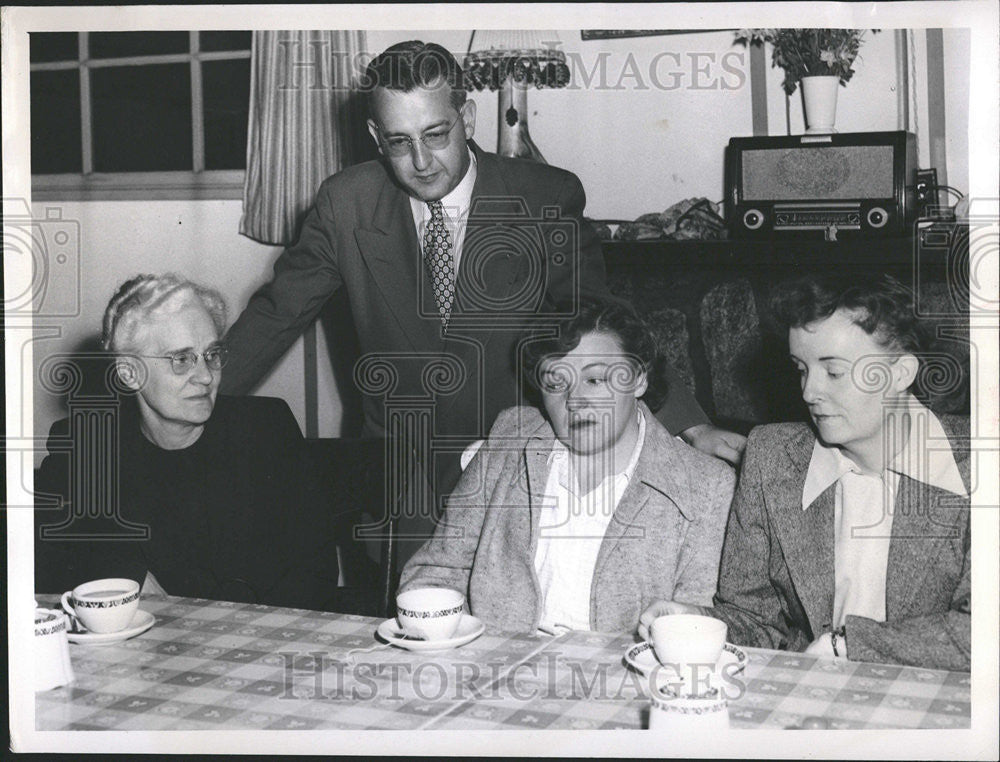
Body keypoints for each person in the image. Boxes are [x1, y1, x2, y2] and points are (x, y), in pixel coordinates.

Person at [219, 40, 745, 562]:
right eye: (399, 142)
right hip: (405, 487)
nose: (421, 162)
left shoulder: (546, 196)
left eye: (436, 134)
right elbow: (275, 314)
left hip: (519, 476)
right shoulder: (345, 203)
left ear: (466, 117)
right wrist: (193, 387)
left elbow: (603, 325)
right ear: (376, 136)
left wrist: (687, 423)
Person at [639, 274, 971, 671]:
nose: (809, 393)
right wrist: (696, 622)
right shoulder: (772, 457)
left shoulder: (980, 464)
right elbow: (757, 620)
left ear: (900, 373)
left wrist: (849, 646)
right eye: (801, 369)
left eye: (833, 372)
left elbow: (982, 632)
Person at [399, 299, 735, 634]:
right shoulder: (508, 445)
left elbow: (695, 625)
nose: (575, 402)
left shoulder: (705, 486)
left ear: (639, 381)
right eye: (556, 383)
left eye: (595, 380)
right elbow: (434, 574)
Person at [34, 274, 336, 610]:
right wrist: (124, 574)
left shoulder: (265, 429)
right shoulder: (86, 445)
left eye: (212, 354)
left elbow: (315, 570)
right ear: (130, 373)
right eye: (181, 359)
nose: (206, 376)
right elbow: (39, 558)